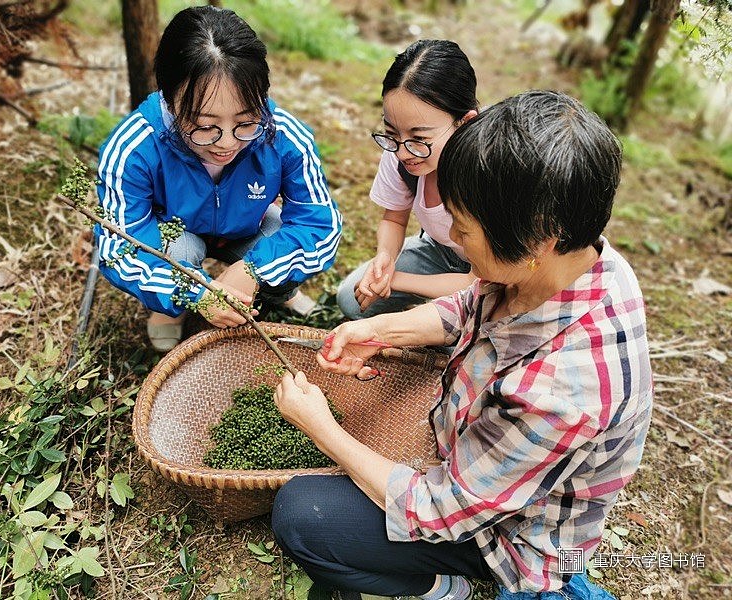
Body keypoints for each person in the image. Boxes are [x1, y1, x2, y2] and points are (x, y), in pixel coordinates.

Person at [272, 91, 653, 600]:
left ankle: (444, 588)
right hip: (483, 462)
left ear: (538, 241)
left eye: (464, 228)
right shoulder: (573, 256)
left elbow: (440, 510)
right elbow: (475, 300)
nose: (450, 236)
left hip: (511, 531)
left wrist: (321, 427)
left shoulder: (563, 391)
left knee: (303, 517)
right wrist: (381, 330)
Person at [95, 6, 341, 351]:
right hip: (175, 230)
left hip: (247, 226)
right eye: (206, 126)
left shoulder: (285, 136)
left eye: (245, 122)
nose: (226, 143)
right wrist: (193, 291)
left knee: (278, 241)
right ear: (169, 98)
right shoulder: (134, 146)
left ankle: (280, 291)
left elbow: (320, 226)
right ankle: (170, 308)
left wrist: (256, 269)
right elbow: (119, 247)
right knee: (174, 248)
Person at [336, 40, 477, 321]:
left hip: (492, 275)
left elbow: (479, 280)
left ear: (464, 122)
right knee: (352, 300)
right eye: (392, 133)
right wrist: (385, 259)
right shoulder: (402, 152)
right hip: (442, 253)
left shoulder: (486, 170)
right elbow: (394, 219)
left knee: (461, 330)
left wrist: (397, 279)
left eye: (419, 138)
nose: (402, 152)